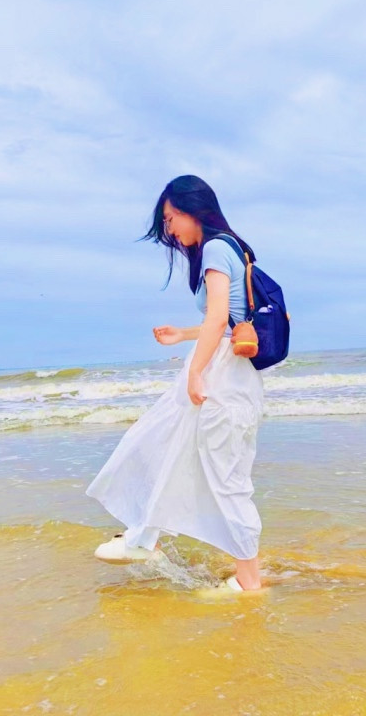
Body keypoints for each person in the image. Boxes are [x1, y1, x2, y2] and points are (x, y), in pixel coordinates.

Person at [85, 175, 265, 591]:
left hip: (223, 377)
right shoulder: (229, 249)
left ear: (191, 209)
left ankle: (249, 583)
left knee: (225, 477)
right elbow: (227, 321)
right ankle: (144, 537)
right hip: (227, 372)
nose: (169, 230)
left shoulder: (217, 248)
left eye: (169, 219)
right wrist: (183, 335)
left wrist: (197, 371)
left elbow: (219, 320)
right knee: (168, 446)